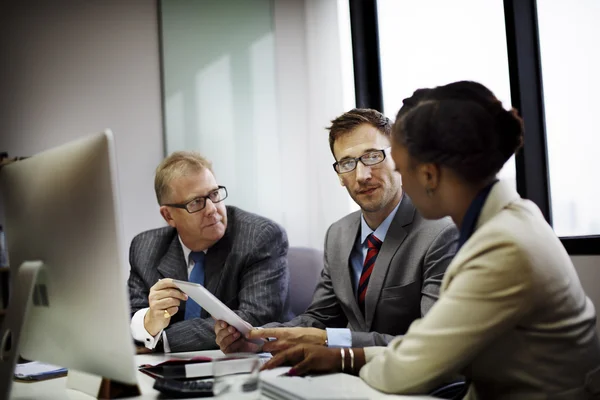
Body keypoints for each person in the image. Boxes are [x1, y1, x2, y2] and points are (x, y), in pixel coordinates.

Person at [260, 81, 600, 399]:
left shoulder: (502, 246)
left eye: (400, 168)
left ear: (428, 175)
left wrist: (344, 357)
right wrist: (340, 356)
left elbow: (408, 369)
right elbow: (423, 350)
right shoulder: (512, 219)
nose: (397, 182)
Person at [215, 109, 458, 354]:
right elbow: (321, 318)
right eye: (347, 163)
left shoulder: (440, 233)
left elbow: (432, 346)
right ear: (340, 175)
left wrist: (330, 341)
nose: (362, 175)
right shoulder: (338, 234)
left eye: (373, 157)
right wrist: (259, 339)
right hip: (347, 377)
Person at [128, 151, 292, 352]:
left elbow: (252, 319)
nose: (212, 209)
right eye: (196, 202)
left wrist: (159, 339)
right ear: (168, 215)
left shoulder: (259, 237)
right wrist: (150, 321)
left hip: (251, 364)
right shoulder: (145, 248)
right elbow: (131, 320)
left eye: (214, 194)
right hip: (170, 370)